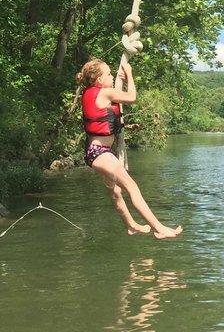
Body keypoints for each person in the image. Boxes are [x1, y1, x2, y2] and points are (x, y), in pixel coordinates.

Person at [76, 58, 182, 239]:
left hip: (96, 152)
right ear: (99, 80)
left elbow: (111, 106)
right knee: (131, 187)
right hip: (99, 152)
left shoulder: (92, 93)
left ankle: (131, 225)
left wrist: (120, 77)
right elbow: (131, 97)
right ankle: (159, 228)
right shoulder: (104, 93)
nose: (111, 76)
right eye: (108, 74)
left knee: (116, 191)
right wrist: (130, 74)